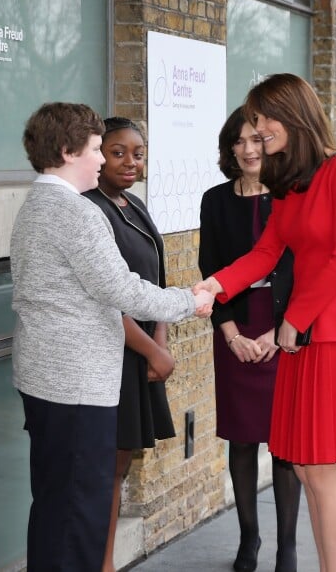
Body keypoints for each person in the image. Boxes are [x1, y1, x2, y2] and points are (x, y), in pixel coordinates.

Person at [11, 102, 213, 572]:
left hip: (50, 382)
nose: (103, 160)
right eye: (98, 149)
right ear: (67, 151)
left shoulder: (38, 203)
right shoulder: (73, 212)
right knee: (79, 518)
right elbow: (120, 289)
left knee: (56, 508)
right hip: (76, 387)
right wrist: (189, 301)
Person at [196, 74, 336, 572]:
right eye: (252, 122)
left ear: (292, 115)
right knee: (301, 464)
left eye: (263, 120)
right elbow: (267, 251)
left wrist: (292, 321)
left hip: (332, 335)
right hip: (298, 338)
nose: (257, 130)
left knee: (322, 472)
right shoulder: (289, 185)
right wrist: (217, 286)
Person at [198, 107, 301, 572]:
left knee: (284, 444)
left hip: (283, 327)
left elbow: (302, 269)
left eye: (256, 140)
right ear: (229, 148)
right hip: (233, 326)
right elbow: (211, 270)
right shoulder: (215, 200)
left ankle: (288, 548)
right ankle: (249, 540)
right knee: (241, 440)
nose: (248, 149)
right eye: (238, 141)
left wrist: (279, 334)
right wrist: (232, 334)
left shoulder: (291, 197)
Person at [82, 117, 178, 572]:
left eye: (137, 154)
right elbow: (104, 298)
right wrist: (151, 350)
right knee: (103, 472)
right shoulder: (89, 209)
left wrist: (160, 336)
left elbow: (155, 279)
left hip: (140, 351)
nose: (130, 162)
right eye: (118, 152)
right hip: (110, 354)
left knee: (118, 468)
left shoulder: (133, 205)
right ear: (98, 155)